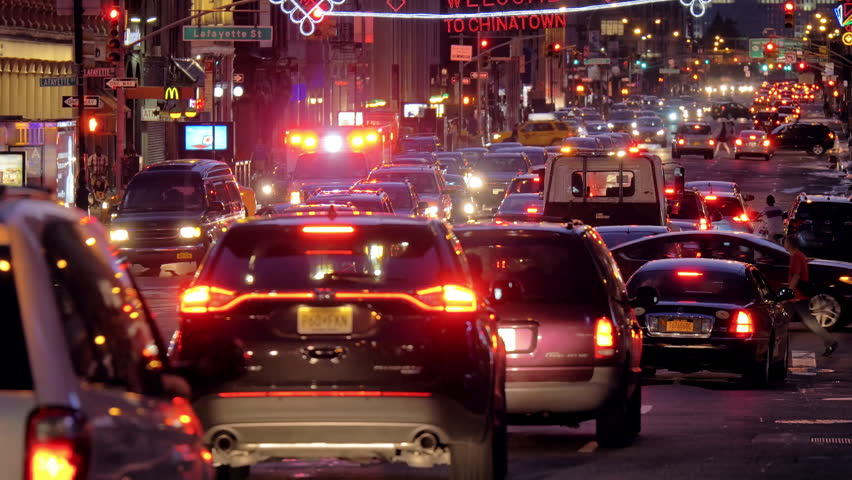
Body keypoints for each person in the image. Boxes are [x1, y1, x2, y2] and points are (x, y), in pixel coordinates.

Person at [784, 235, 839, 356]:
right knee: (785, 320)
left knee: (806, 321)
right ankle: (778, 346)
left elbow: (796, 276)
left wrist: (789, 292)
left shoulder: (796, 257)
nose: (784, 244)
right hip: (797, 296)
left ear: (790, 244)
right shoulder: (799, 255)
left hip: (797, 296)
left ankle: (830, 341)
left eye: (785, 242)